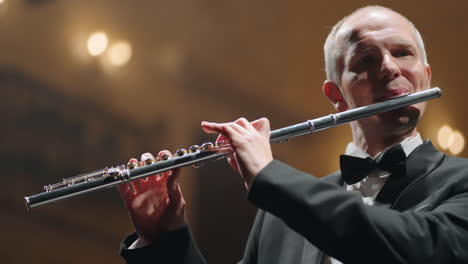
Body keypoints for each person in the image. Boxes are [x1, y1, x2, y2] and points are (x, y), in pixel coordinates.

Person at [118, 6, 468, 264]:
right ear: (336, 96)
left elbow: (419, 250)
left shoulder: (462, 182)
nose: (390, 68)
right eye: (365, 59)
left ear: (425, 75)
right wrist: (165, 239)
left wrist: (269, 176)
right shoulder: (277, 216)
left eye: (402, 53)